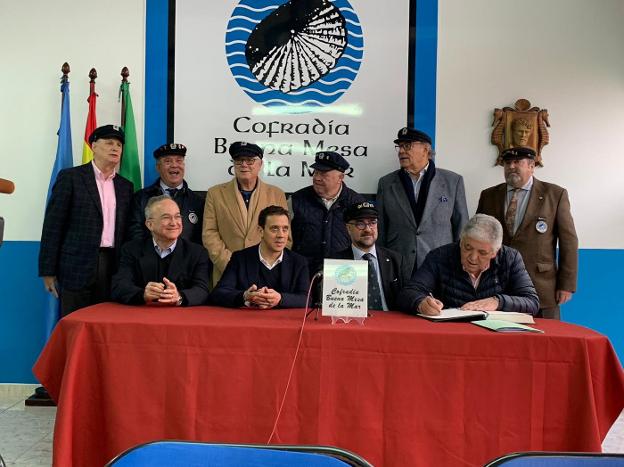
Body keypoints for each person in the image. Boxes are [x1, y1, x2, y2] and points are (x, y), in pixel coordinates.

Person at [39, 125, 134, 316]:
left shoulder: (125, 186)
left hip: (112, 266)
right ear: (94, 146)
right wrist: (47, 270)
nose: (115, 148)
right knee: (75, 324)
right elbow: (53, 225)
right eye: (109, 143)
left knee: (105, 324)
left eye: (119, 145)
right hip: (76, 266)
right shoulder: (71, 177)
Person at [477, 146, 578, 319]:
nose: (511, 167)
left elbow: (569, 241)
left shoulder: (554, 194)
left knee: (546, 342)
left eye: (518, 162)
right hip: (497, 286)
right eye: (507, 163)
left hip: (542, 287)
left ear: (532, 166)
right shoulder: (489, 195)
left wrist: (566, 284)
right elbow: (478, 237)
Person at [397, 214, 539, 316]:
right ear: (461, 241)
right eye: (467, 247)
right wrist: (420, 302)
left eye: (482, 252)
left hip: (497, 337)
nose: (472, 257)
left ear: (495, 252)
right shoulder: (439, 256)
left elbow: (532, 302)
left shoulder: (510, 258)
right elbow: (409, 292)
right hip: (451, 333)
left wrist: (498, 302)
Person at [377, 127, 468, 275]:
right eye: (399, 147)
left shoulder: (453, 181)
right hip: (399, 265)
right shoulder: (386, 183)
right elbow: (380, 229)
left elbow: (462, 226)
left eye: (407, 146)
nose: (401, 151)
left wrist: (460, 263)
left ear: (426, 149)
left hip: (441, 265)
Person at [202, 141, 288, 285]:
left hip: (267, 276)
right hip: (227, 274)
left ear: (260, 164)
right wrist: (231, 265)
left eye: (250, 160)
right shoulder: (215, 193)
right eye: (239, 160)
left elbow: (286, 236)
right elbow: (209, 233)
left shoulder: (276, 194)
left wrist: (267, 266)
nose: (244, 165)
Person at [111, 196, 211, 306]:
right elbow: (119, 285)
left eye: (177, 217)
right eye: (166, 217)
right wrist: (142, 294)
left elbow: (202, 290)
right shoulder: (131, 250)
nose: (174, 223)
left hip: (181, 317)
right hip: (143, 316)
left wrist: (179, 297)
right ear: (150, 224)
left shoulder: (197, 253)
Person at [209, 205, 309, 309]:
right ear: (261, 231)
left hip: (284, 322)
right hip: (247, 321)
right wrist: (245, 296)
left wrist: (280, 299)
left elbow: (306, 299)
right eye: (274, 229)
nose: (281, 235)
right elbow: (219, 293)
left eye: (285, 229)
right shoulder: (240, 258)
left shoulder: (299, 262)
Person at [290, 151, 365, 274]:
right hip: (303, 273)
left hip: (344, 274)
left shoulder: (357, 203)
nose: (317, 177)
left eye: (323, 173)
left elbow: (365, 241)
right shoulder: (297, 199)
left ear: (340, 177)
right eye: (316, 172)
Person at [333, 201, 406, 311]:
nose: (367, 229)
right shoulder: (336, 263)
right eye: (360, 224)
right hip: (353, 323)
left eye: (372, 223)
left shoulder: (395, 259)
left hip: (390, 321)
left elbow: (407, 295)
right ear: (348, 228)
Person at [128, 143, 204, 244]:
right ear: (158, 167)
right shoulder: (141, 198)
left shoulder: (198, 202)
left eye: (179, 161)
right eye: (168, 161)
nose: (174, 165)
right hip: (149, 258)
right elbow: (135, 235)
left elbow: (202, 240)